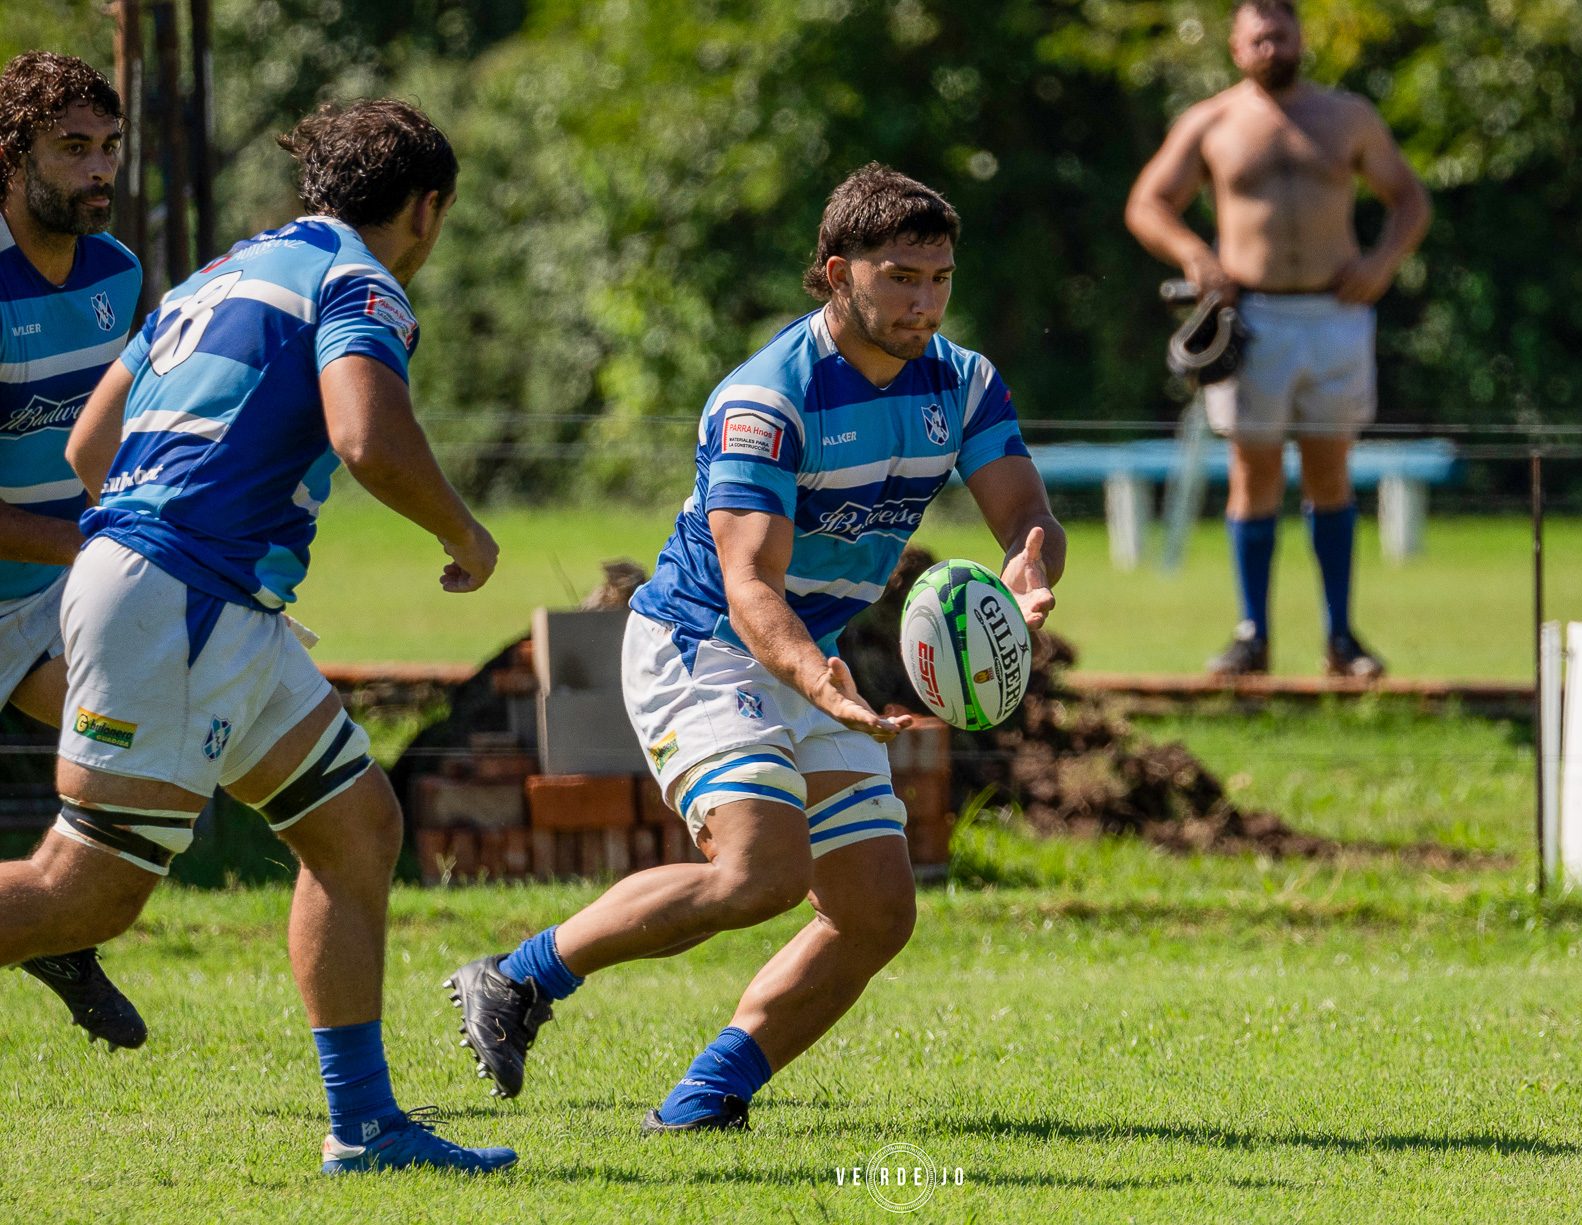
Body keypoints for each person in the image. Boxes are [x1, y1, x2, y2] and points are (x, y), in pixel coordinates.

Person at [446, 164, 1064, 1132]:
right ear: (836, 270)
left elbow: (1023, 510)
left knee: (874, 911)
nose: (924, 301)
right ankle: (519, 978)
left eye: (939, 278)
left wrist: (1026, 568)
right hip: (704, 645)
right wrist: (815, 675)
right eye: (901, 276)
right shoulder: (765, 401)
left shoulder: (964, 378)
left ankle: (707, 1097)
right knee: (758, 872)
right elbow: (748, 587)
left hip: (806, 652)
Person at [2, 98, 515, 1175]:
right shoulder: (358, 282)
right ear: (428, 209)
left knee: (355, 829)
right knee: (81, 893)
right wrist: (463, 531)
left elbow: (96, 445)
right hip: (186, 599)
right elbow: (367, 435)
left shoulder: (221, 273)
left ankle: (366, 1126)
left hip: (196, 596)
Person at [1125, 0, 1430, 676]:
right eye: (1258, 37)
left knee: (1330, 468)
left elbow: (1409, 197)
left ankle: (1341, 638)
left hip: (1333, 313)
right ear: (1236, 47)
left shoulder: (1347, 116)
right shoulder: (1212, 121)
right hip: (1252, 315)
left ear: (1300, 38)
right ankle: (1252, 633)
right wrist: (1194, 256)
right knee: (1253, 469)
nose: (1271, 46)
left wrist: (1381, 264)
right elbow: (1147, 202)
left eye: (1281, 34)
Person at [0, 51, 147, 1050]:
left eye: (109, 149)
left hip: (58, 589)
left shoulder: (119, 275)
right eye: (72, 150)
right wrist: (96, 545)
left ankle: (52, 921)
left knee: (140, 741)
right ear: (13, 154)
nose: (99, 172)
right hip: (54, 565)